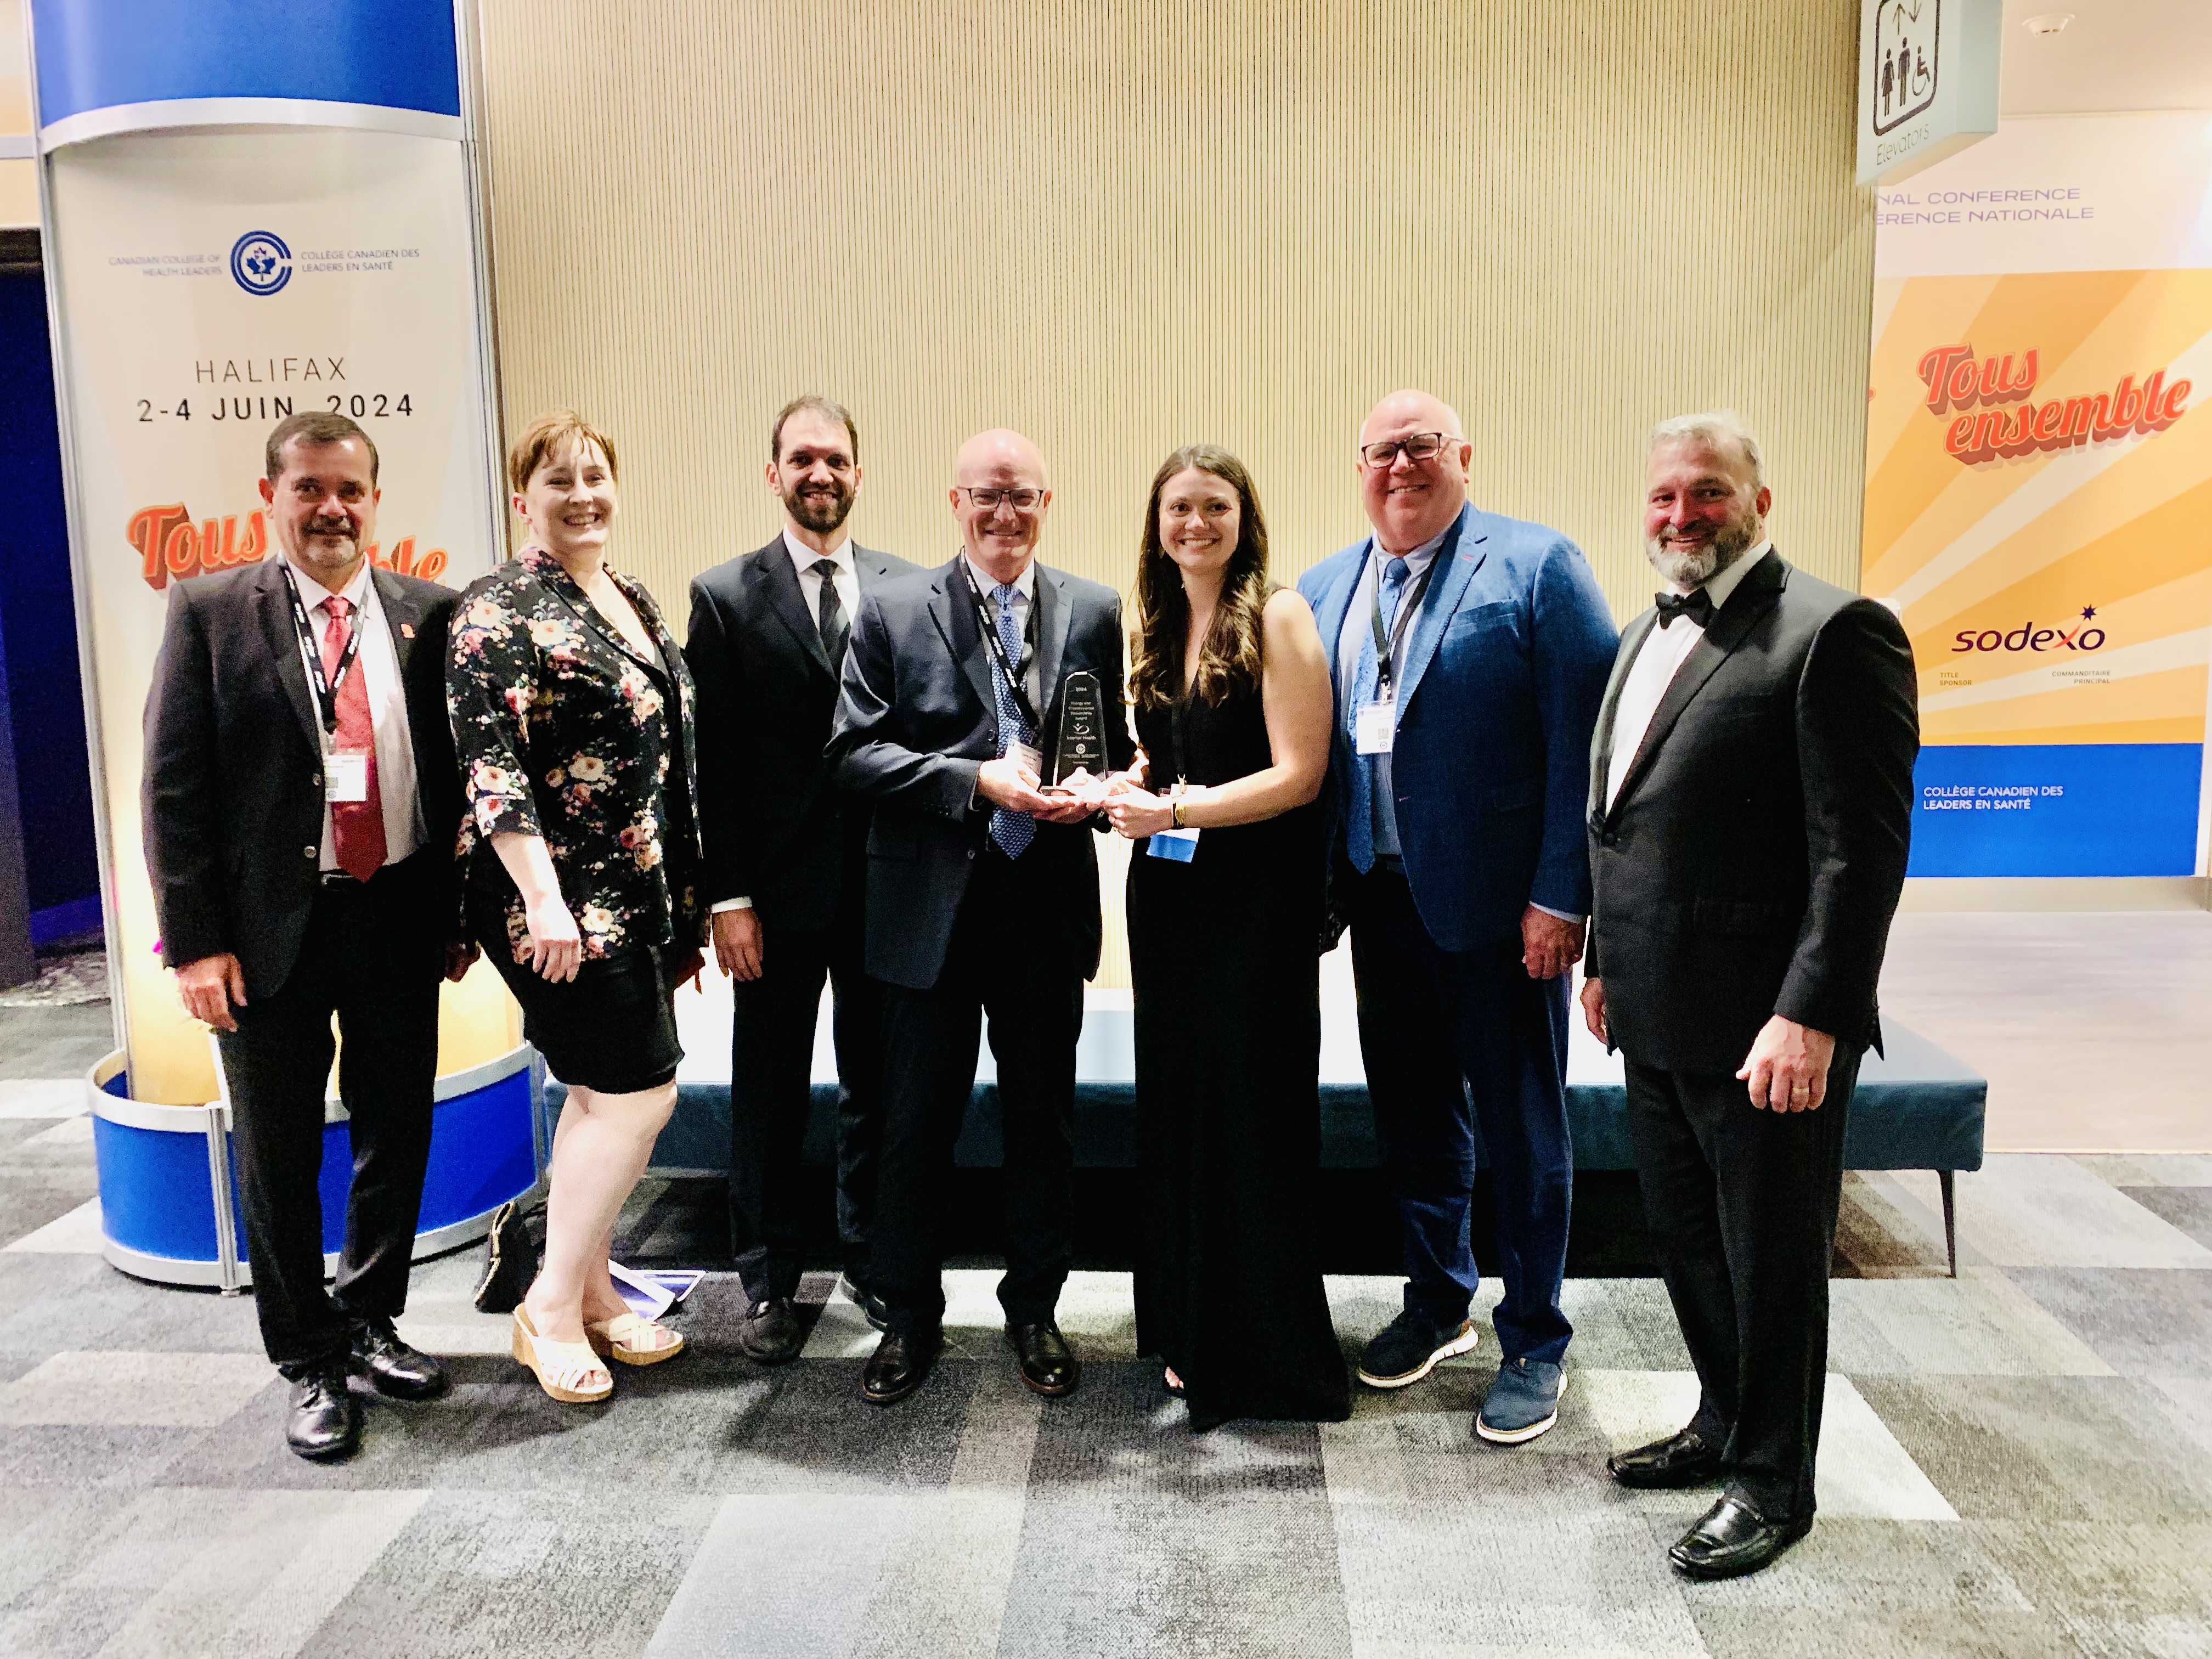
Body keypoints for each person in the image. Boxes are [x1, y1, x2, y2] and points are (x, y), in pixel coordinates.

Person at [1583, 411, 1917, 1579]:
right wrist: (1601, 966)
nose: (1683, 517)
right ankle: (1724, 1421)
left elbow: (1859, 854)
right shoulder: (1641, 637)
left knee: (1771, 1258)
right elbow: (1621, 823)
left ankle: (1776, 1484)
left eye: (1709, 495)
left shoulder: (1836, 635)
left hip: (1769, 1025)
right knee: (1688, 1242)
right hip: (1658, 1010)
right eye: (1667, 497)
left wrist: (1813, 1013)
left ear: (1759, 503)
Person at [142, 411, 470, 1461]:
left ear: (376, 500)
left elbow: (462, 783)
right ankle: (308, 1358)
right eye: (310, 490)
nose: (332, 509)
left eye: (351, 491)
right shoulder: (207, 611)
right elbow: (174, 791)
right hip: (266, 932)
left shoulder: (430, 612)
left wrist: (461, 917)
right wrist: (192, 944)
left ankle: (372, 1320)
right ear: (271, 496)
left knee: (395, 1128)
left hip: (396, 911)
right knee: (279, 1153)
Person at [1297, 390, 1618, 1444]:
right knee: (1414, 1116)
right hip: (1379, 901)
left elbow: (1586, 749)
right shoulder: (1326, 585)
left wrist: (1562, 899)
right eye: (1379, 450)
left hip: (1503, 913)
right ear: (1358, 467)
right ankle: (1439, 1300)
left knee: (1523, 1127)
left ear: (1464, 455)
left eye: (1419, 446)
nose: (1399, 466)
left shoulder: (1538, 567)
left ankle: (1534, 1335)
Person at [826, 427, 1136, 1407]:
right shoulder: (888, 607)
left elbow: (1113, 737)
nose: (1006, 515)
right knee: (916, 1125)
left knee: (1043, 1124)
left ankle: (1035, 1309)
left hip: (1043, 904)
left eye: (1025, 498)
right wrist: (976, 782)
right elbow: (852, 756)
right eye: (988, 497)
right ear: (954, 502)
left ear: (1049, 503)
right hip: (930, 914)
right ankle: (909, 1315)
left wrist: (1107, 784)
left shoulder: (1091, 608)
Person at [448, 410, 706, 1405]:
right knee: (642, 1093)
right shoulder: (498, 611)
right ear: (525, 499)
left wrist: (680, 899)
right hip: (554, 903)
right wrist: (546, 902)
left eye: (595, 475)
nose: (583, 494)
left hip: (633, 892)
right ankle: (549, 1307)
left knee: (604, 1095)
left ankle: (596, 1289)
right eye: (558, 481)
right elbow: (492, 767)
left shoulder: (626, 594)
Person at [1101, 445, 1347, 1430]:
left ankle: (1261, 1353)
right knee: (1182, 1112)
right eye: (1178, 509)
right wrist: (1128, 789)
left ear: (1244, 517)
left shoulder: (1279, 614)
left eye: (1214, 507)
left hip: (1256, 910)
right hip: (1171, 909)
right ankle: (1190, 1330)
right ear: (1156, 524)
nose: (1195, 524)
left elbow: (1300, 775)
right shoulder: (1161, 624)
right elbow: (1163, 761)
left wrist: (1178, 814)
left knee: (1251, 1118)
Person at [686, 396, 915, 1362]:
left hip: (887, 888)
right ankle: (769, 1277)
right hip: (771, 900)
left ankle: (867, 1257)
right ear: (772, 475)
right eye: (802, 460)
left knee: (877, 1084)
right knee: (770, 1087)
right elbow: (714, 767)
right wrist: (725, 896)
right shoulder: (724, 596)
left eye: (837, 460)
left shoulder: (911, 588)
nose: (820, 475)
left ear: (860, 475)